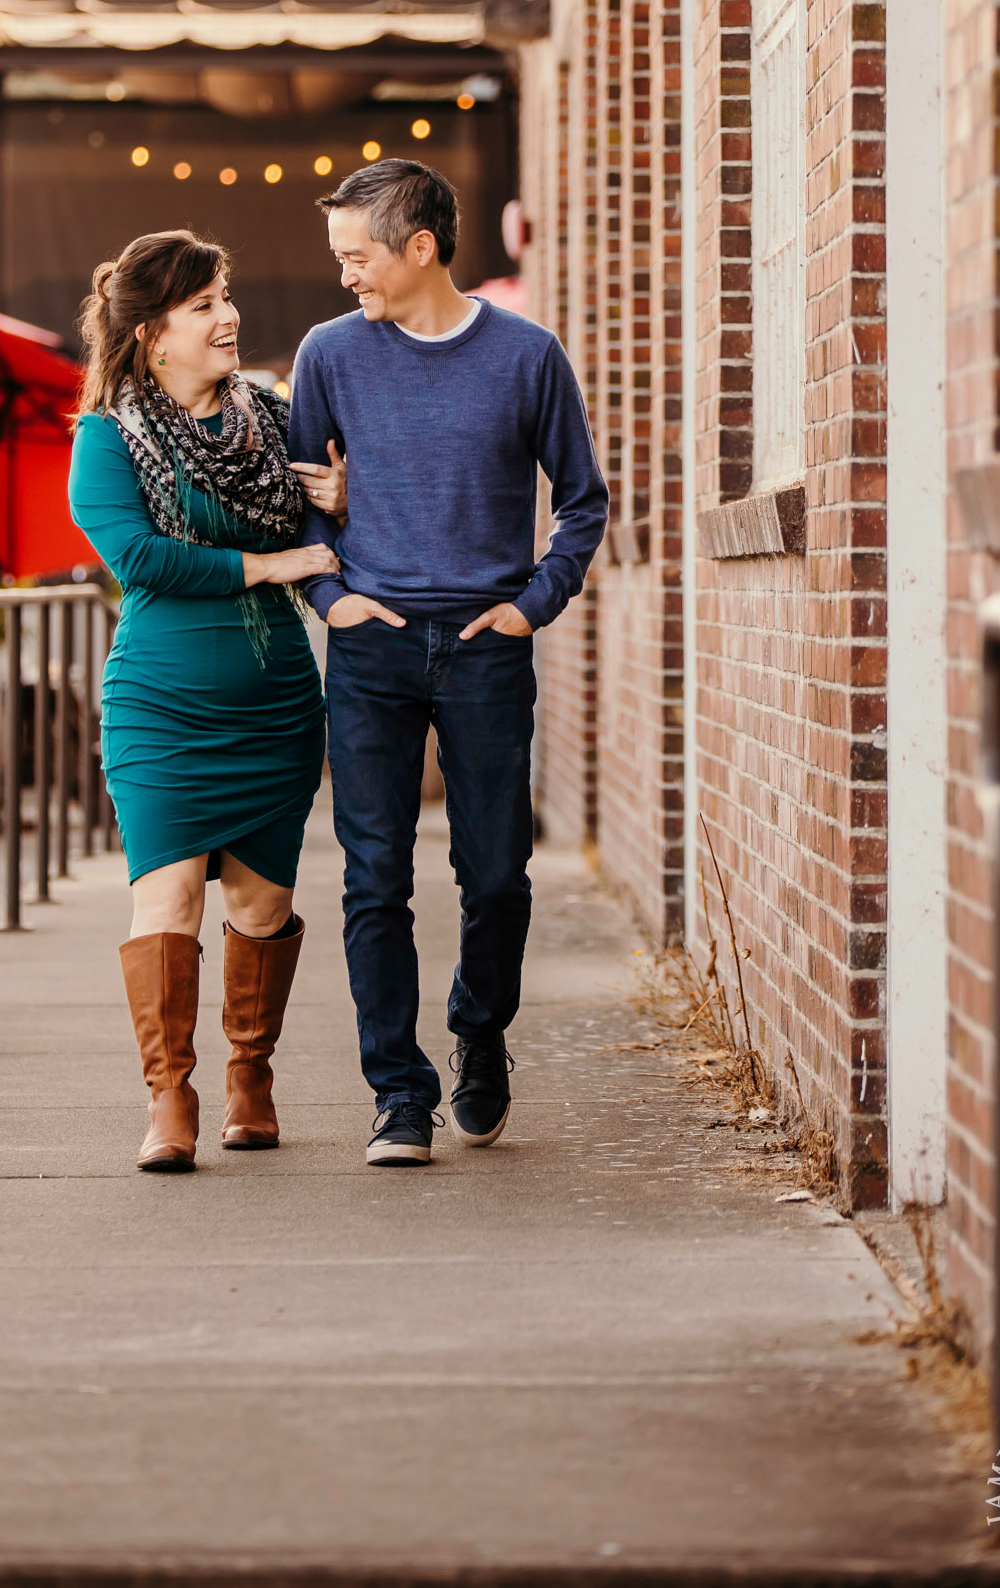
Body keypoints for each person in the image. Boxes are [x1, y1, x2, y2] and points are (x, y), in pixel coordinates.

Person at [287, 158, 608, 1167]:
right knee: (373, 878)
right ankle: (397, 1093)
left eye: (357, 256)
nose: (344, 276)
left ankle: (479, 1031)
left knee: (496, 874)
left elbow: (583, 501)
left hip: (484, 650)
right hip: (372, 651)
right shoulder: (329, 355)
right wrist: (333, 601)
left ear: (419, 248)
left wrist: (530, 607)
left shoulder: (527, 356)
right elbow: (299, 500)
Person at [68, 230, 346, 1173]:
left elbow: (324, 526)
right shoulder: (106, 437)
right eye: (203, 307)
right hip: (159, 707)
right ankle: (169, 1095)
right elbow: (141, 558)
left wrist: (340, 502)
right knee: (172, 894)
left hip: (273, 704)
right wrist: (271, 562)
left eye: (225, 297)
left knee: (263, 908)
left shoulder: (269, 421)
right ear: (152, 335)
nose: (228, 318)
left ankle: (250, 1076)